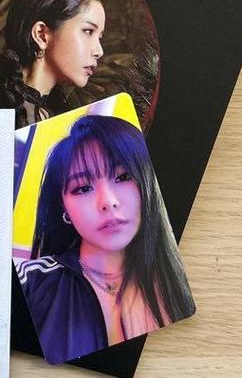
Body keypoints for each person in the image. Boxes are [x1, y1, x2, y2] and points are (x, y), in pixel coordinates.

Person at [15, 114, 195, 364]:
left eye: (123, 177)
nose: (108, 202)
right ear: (63, 209)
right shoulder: (33, 282)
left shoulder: (180, 274)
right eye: (83, 188)